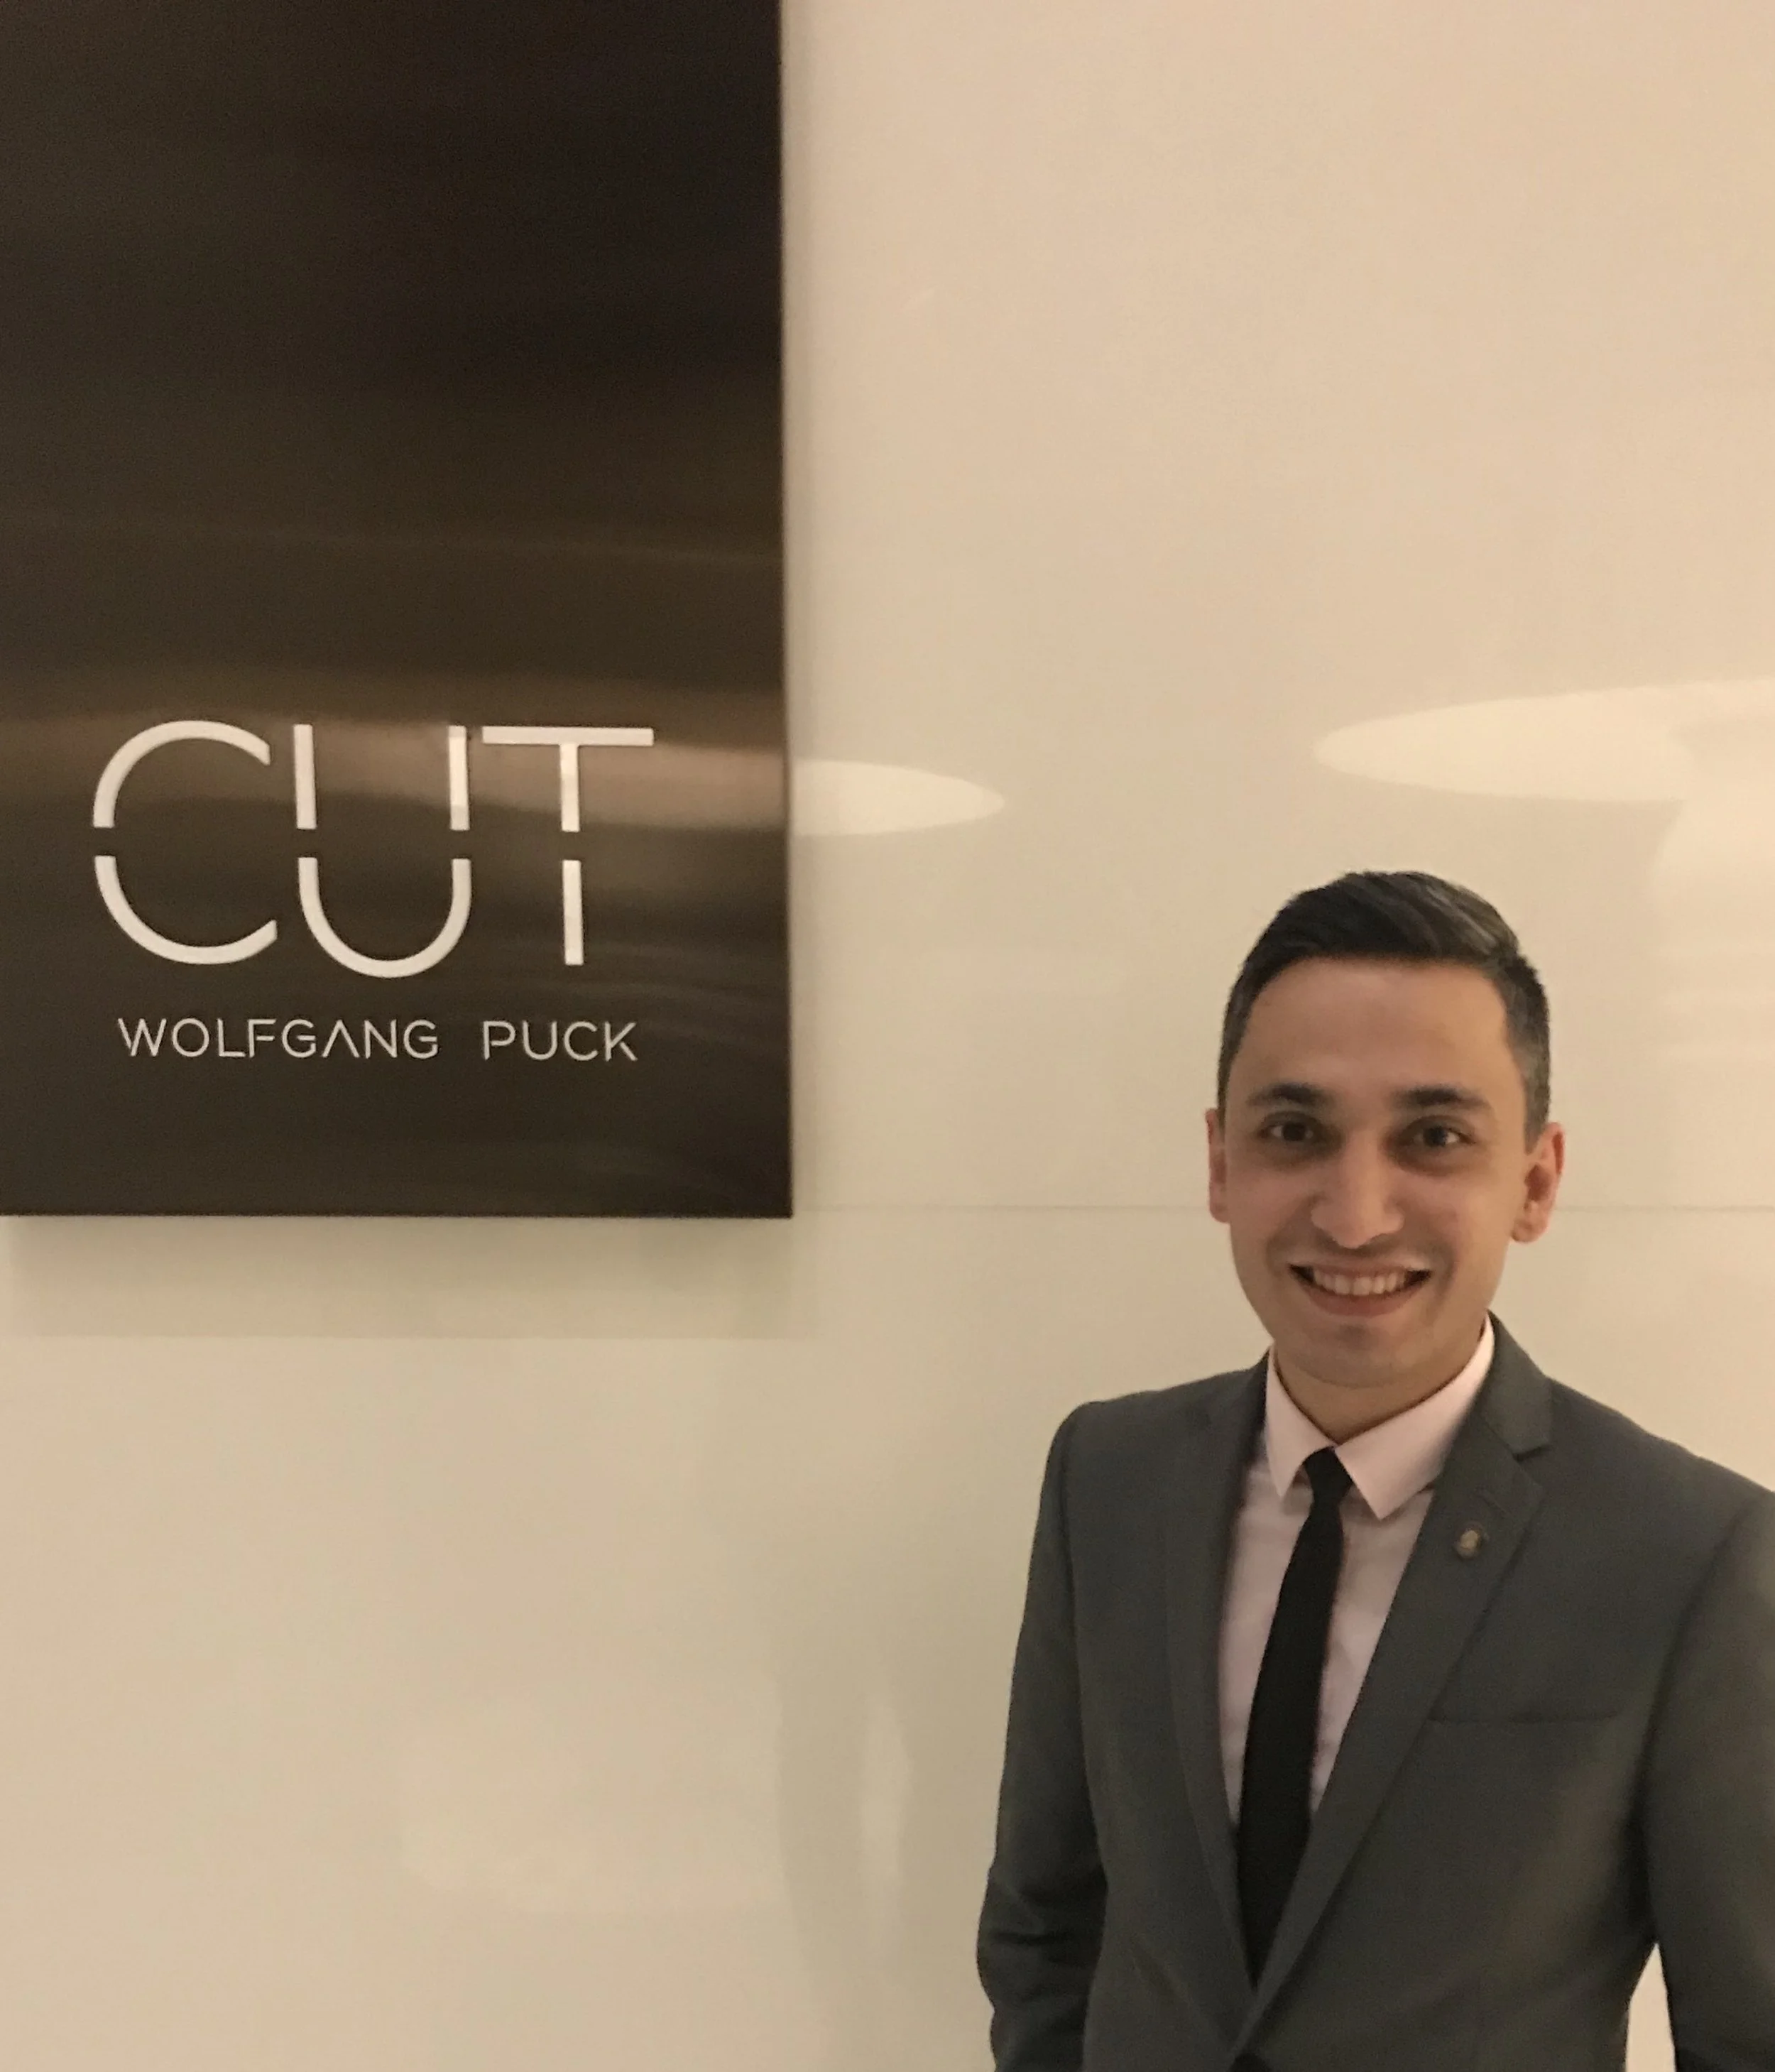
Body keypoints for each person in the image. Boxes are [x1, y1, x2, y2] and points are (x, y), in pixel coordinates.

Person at [977, 870, 1775, 2072]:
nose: (1354, 1215)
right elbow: (1049, 1924)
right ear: (1220, 1164)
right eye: (1295, 1132)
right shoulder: (1108, 1479)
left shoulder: (1690, 1552)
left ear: (1536, 1181)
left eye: (1434, 1137)